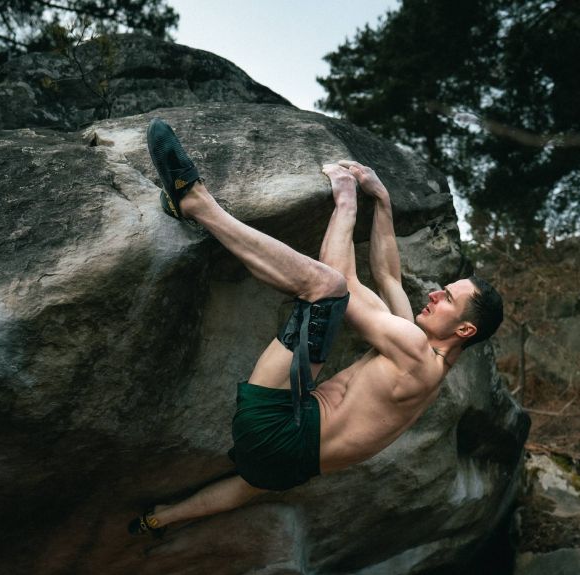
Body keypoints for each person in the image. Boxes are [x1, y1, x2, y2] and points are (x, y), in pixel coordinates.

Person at [130, 118, 503, 535]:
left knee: (327, 288)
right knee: (249, 486)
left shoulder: (414, 349)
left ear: (466, 330)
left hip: (280, 429)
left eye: (448, 298)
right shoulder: (429, 370)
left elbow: (337, 278)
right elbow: (389, 277)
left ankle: (195, 202)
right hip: (286, 465)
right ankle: (158, 518)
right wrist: (382, 201)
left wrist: (346, 200)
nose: (434, 295)